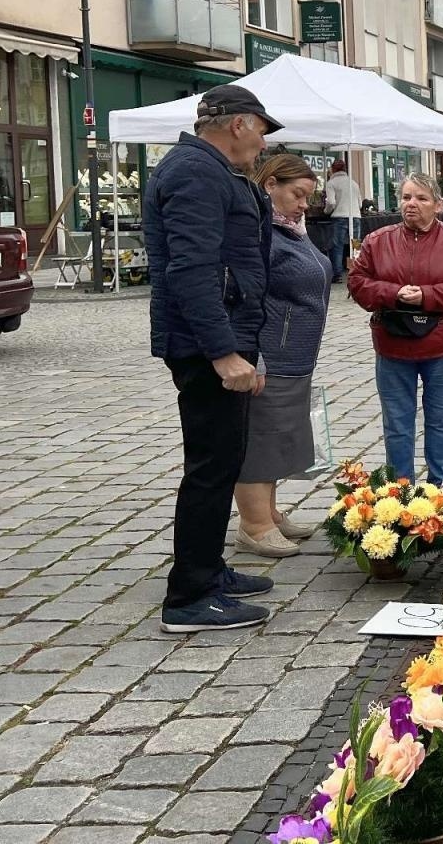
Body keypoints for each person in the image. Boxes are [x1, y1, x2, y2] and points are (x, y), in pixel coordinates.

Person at [144, 84, 282, 633]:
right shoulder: (196, 172)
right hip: (206, 345)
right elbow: (191, 271)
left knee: (223, 461)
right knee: (210, 466)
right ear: (239, 124)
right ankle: (190, 596)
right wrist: (224, 352)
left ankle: (207, 568)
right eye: (262, 129)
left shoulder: (209, 170)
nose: (264, 141)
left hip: (225, 334)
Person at [348, 174, 443, 483]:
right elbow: (357, 283)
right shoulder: (377, 240)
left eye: (421, 198)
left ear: (438, 205)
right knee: (397, 424)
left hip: (442, 345)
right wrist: (391, 293)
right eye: (407, 197)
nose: (412, 204)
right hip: (393, 345)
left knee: (441, 422)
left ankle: (440, 488)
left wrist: (428, 296)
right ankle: (400, 492)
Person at [235, 152, 331, 559]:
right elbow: (245, 299)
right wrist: (253, 358)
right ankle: (253, 525)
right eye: (298, 194)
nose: (304, 204)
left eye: (308, 196)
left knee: (280, 439)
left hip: (295, 356)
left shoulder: (290, 228)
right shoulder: (259, 233)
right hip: (270, 354)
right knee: (260, 440)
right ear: (270, 184)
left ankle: (269, 513)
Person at [322, 158, 358, 283]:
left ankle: (336, 274)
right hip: (355, 215)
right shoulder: (353, 183)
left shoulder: (332, 183)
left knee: (337, 246)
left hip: (339, 217)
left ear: (332, 169)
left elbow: (331, 202)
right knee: (356, 245)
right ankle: (358, 271)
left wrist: (326, 211)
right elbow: (359, 202)